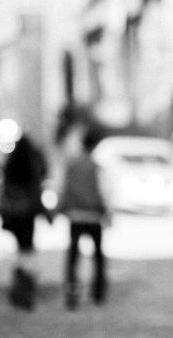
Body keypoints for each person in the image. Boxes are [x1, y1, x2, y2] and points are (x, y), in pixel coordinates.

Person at [0, 132, 49, 310]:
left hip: (15, 214)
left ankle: (19, 286)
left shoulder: (11, 165)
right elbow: (37, 189)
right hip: (28, 214)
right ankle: (25, 288)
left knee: (20, 250)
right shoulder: (32, 166)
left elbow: (4, 190)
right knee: (27, 249)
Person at [58, 125, 109, 309]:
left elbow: (64, 189)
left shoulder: (72, 165)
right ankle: (98, 293)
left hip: (75, 216)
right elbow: (103, 191)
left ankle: (72, 291)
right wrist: (107, 212)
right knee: (98, 256)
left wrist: (59, 209)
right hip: (94, 216)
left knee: (73, 256)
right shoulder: (96, 167)